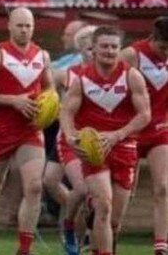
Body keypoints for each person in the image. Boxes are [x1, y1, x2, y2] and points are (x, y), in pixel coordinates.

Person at [60, 26, 151, 255]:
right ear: (94, 49)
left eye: (114, 47)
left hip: (125, 147)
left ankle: (98, 246)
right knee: (104, 206)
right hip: (94, 149)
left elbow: (145, 115)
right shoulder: (81, 80)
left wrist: (117, 135)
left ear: (119, 49)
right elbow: (66, 112)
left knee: (115, 221)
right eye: (104, 46)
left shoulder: (132, 76)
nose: (109, 51)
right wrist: (71, 137)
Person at [0, 7, 54, 255]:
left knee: (34, 187)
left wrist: (49, 105)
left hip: (30, 131)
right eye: (19, 25)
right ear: (9, 26)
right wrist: (13, 100)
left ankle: (24, 249)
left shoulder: (42, 56)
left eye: (28, 26)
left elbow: (50, 89)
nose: (24, 30)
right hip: (0, 130)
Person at [120, 17, 168, 255]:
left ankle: (161, 246)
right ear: (153, 39)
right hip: (131, 130)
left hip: (160, 130)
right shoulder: (132, 55)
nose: (166, 54)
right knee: (126, 191)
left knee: (163, 186)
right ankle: (107, 235)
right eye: (163, 48)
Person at [52, 25, 98, 255]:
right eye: (90, 49)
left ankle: (85, 242)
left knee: (97, 197)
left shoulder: (112, 75)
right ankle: (69, 225)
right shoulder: (65, 74)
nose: (95, 53)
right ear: (81, 50)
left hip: (99, 141)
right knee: (80, 189)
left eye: (96, 48)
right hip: (71, 139)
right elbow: (44, 91)